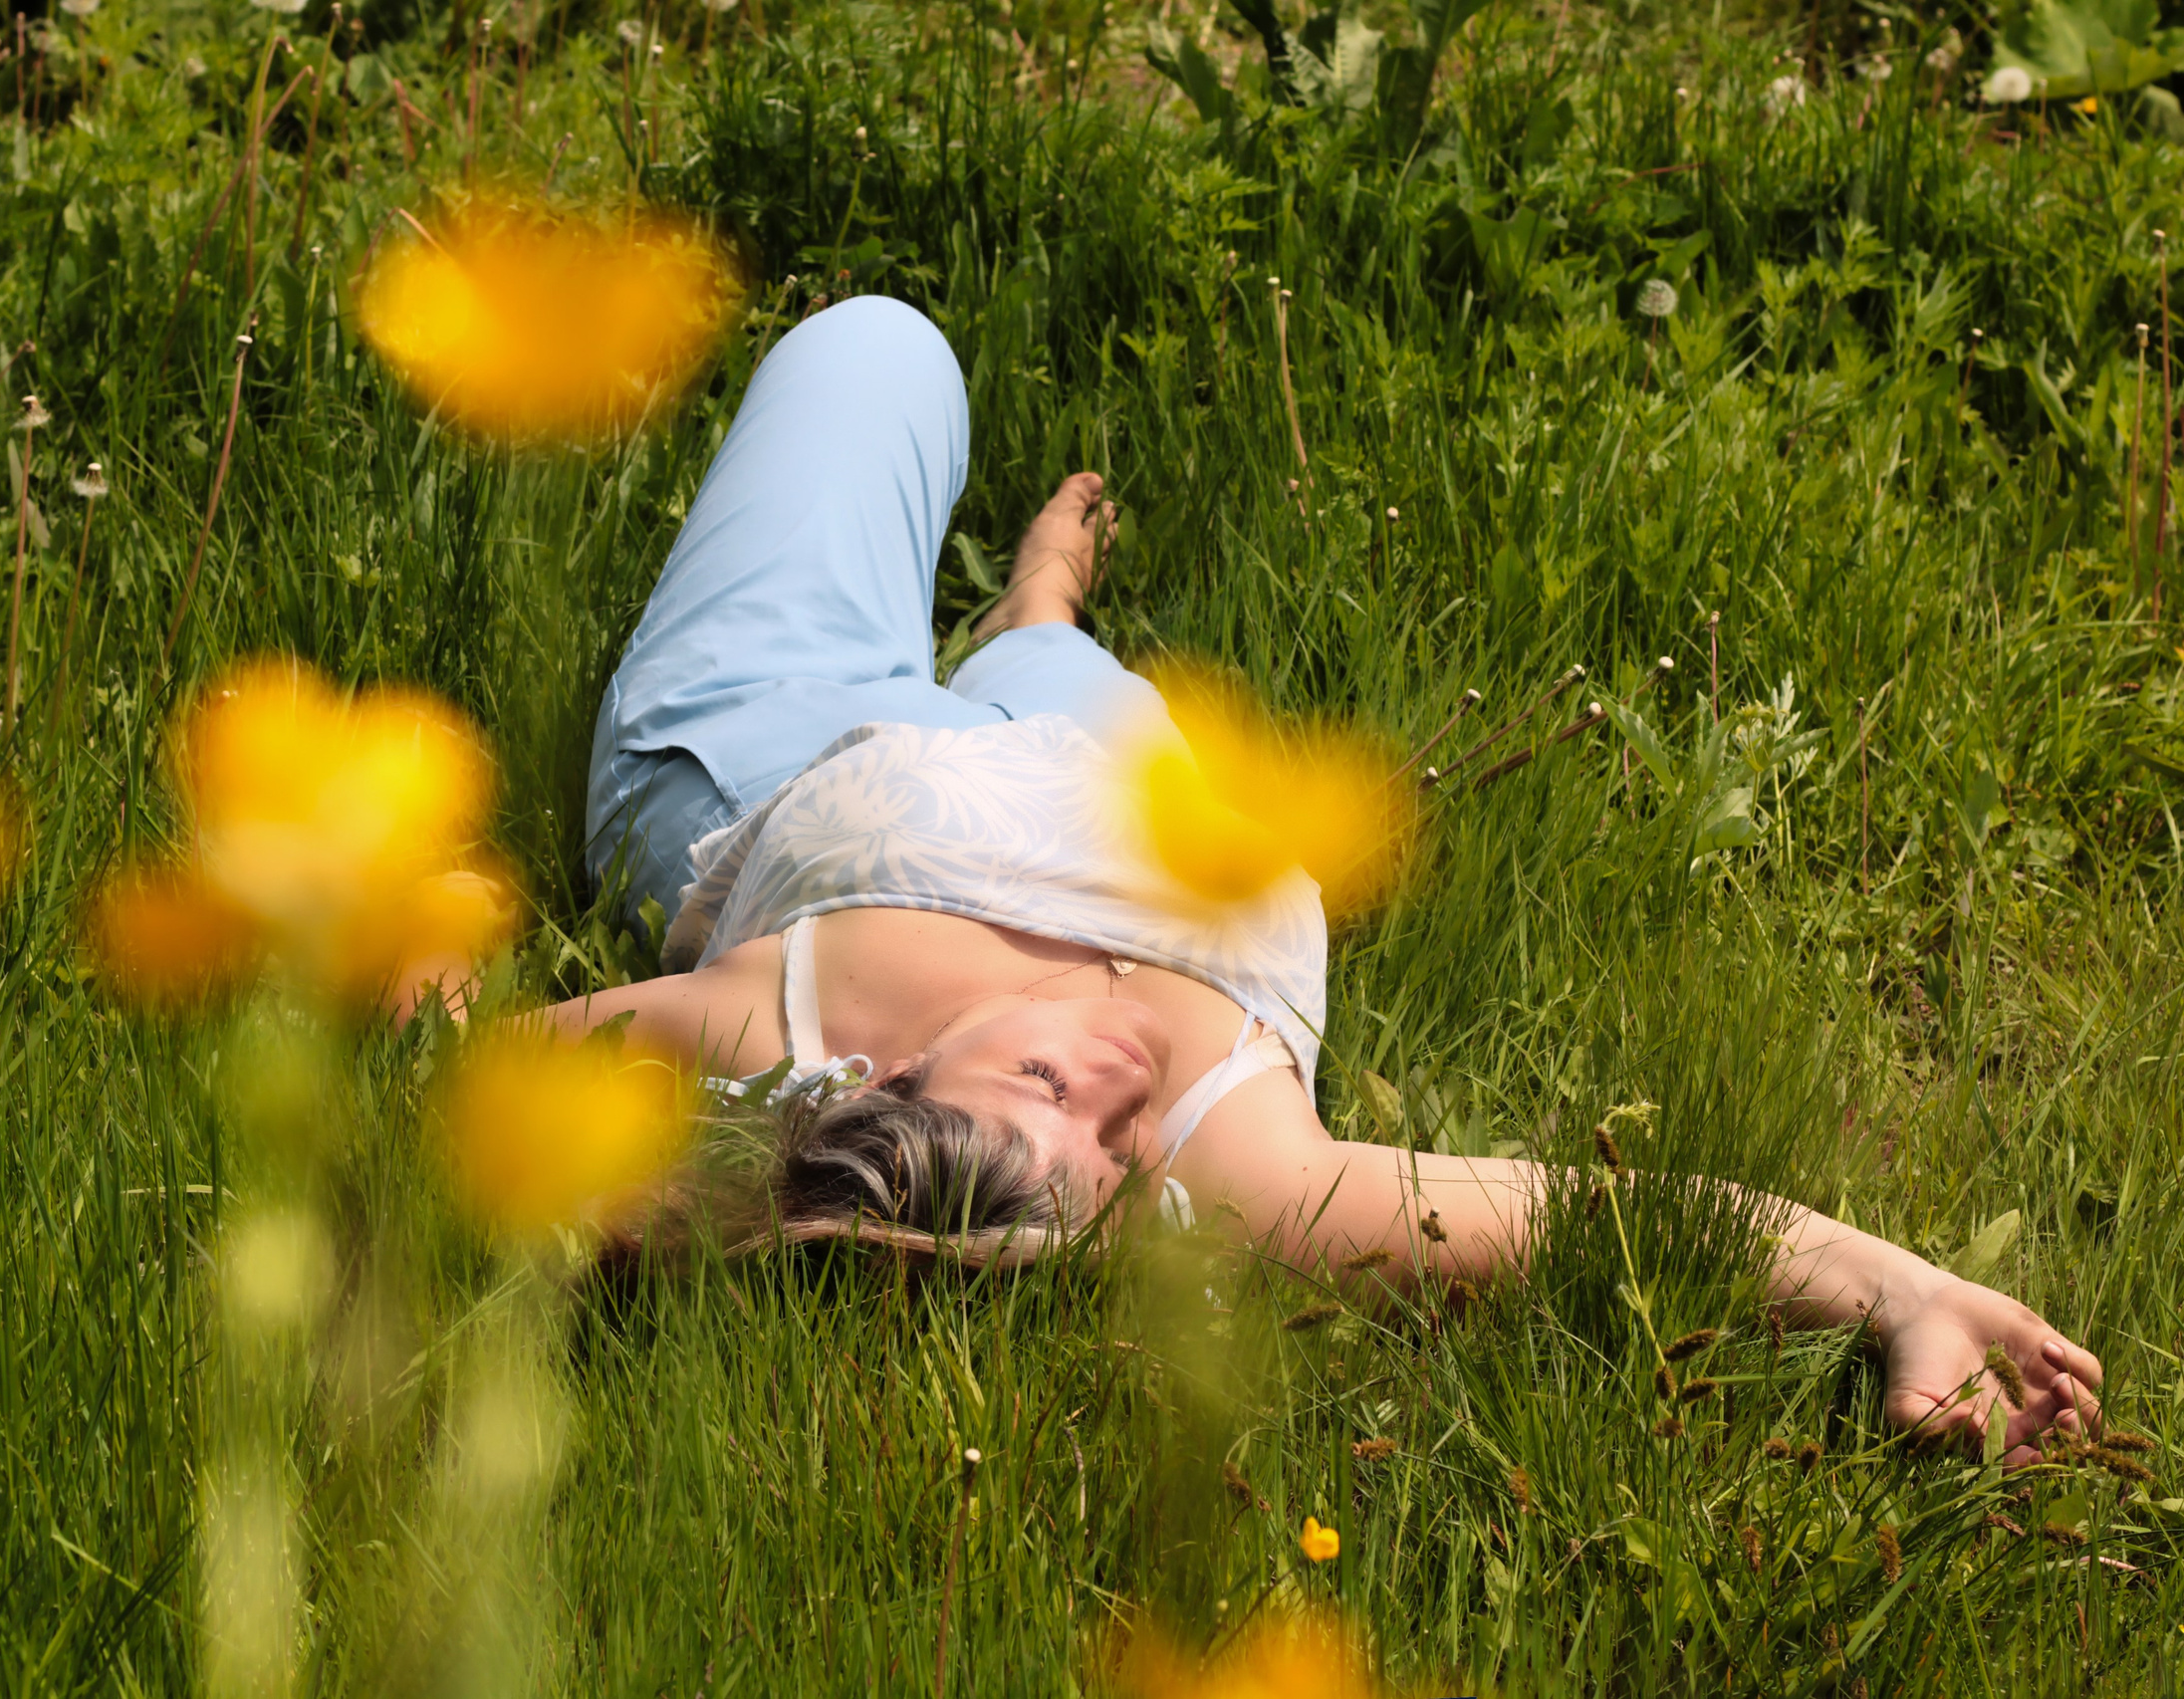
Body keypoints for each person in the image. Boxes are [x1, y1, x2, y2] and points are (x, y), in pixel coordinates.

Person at [407, 296, 2101, 1465]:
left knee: (880, 350)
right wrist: (1909, 1291)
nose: (1108, 1106)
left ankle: (1025, 624)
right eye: (1094, 1173)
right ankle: (1039, 628)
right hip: (1092, 777)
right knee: (1065, 667)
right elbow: (1612, 1216)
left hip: (785, 752)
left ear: (892, 1072)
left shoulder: (757, 1020)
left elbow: (471, 1047)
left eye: (1045, 1091)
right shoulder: (1244, 1164)